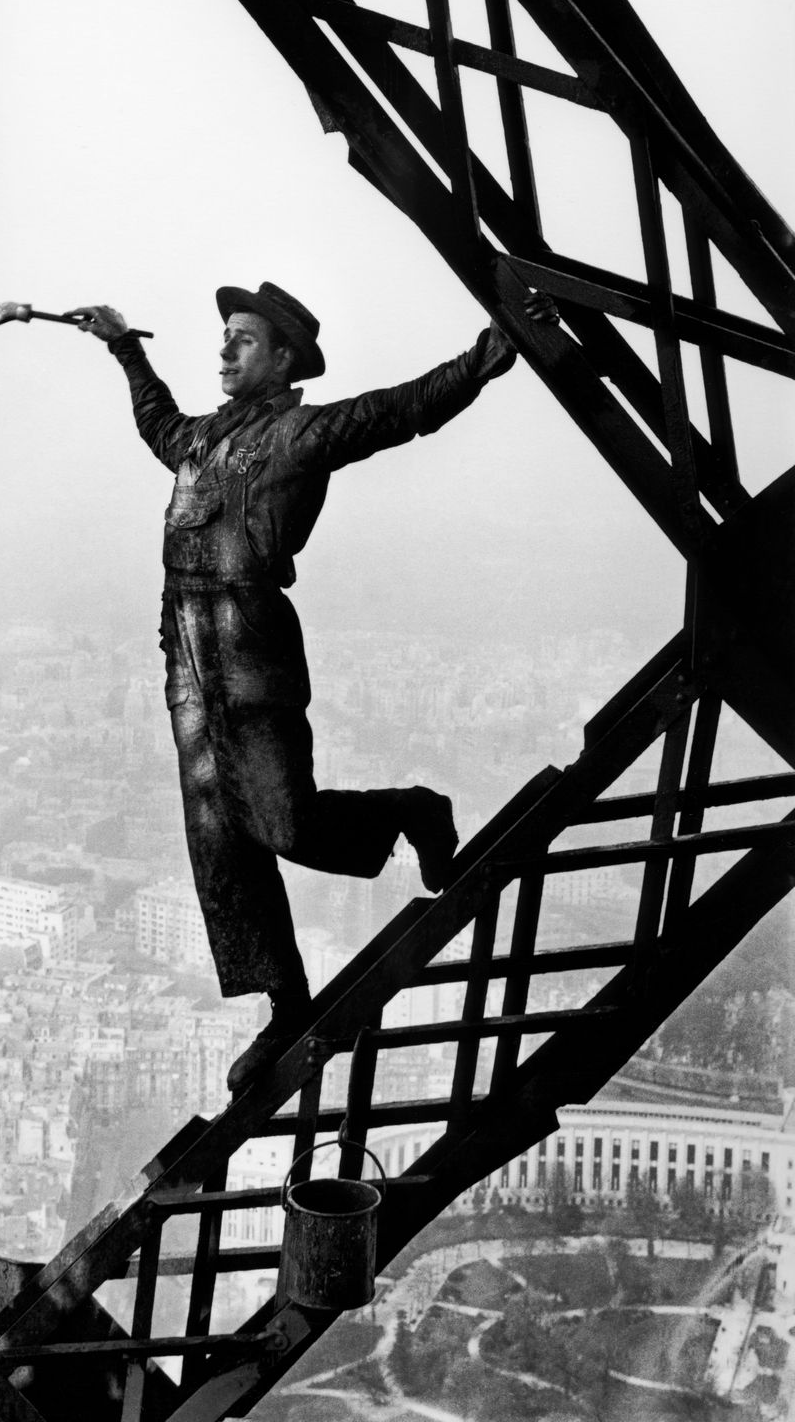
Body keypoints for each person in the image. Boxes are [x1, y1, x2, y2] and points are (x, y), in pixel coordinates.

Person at [71, 283, 558, 1091]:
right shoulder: (198, 442)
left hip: (251, 652)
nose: (225, 351)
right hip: (189, 661)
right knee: (219, 842)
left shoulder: (302, 433)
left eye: (244, 340)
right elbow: (155, 419)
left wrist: (485, 357)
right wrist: (124, 346)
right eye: (223, 337)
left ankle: (409, 810)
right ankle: (284, 1002)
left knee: (283, 823)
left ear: (284, 358)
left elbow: (399, 411)